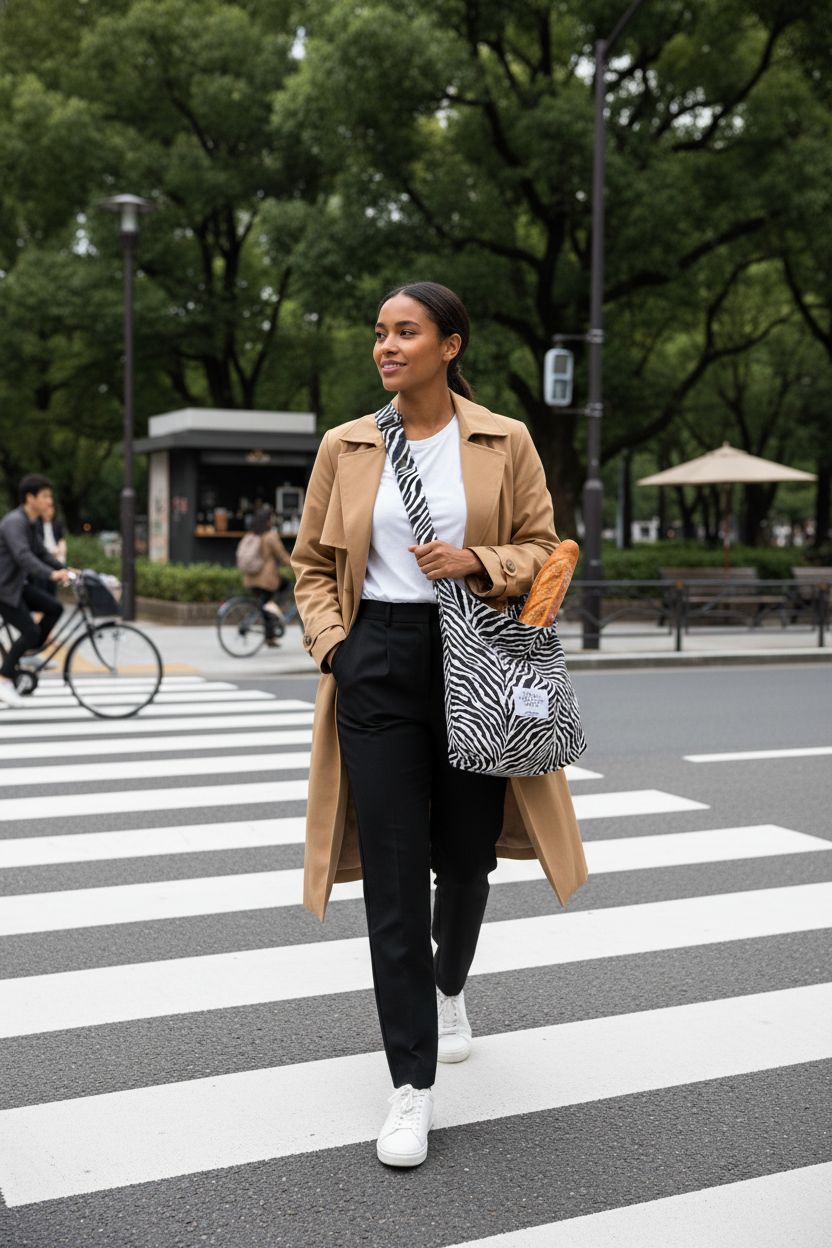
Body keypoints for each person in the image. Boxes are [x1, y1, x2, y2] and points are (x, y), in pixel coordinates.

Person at [291, 281, 588, 1169]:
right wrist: (336, 648)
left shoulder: (505, 439)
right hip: (376, 659)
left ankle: (450, 983)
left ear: (449, 346)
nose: (387, 346)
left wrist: (477, 560)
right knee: (389, 875)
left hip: (476, 653)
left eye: (406, 332)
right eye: (380, 332)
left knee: (463, 858)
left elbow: (546, 545)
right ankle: (410, 1087)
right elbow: (310, 564)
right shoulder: (346, 445)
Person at [0, 474, 71, 707]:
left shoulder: (30, 523)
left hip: (17, 587)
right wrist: (51, 574)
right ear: (30, 498)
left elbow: (41, 553)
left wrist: (67, 570)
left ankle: (25, 651)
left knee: (54, 607)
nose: (50, 501)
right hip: (3, 589)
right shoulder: (14, 522)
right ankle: (4, 679)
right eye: (45, 496)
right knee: (30, 631)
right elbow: (23, 556)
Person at [240, 506, 292, 647]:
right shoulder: (270, 536)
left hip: (251, 578)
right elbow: (282, 555)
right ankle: (274, 624)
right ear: (269, 520)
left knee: (265, 605)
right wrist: (296, 566)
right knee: (287, 587)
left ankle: (270, 636)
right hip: (266, 580)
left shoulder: (252, 535)